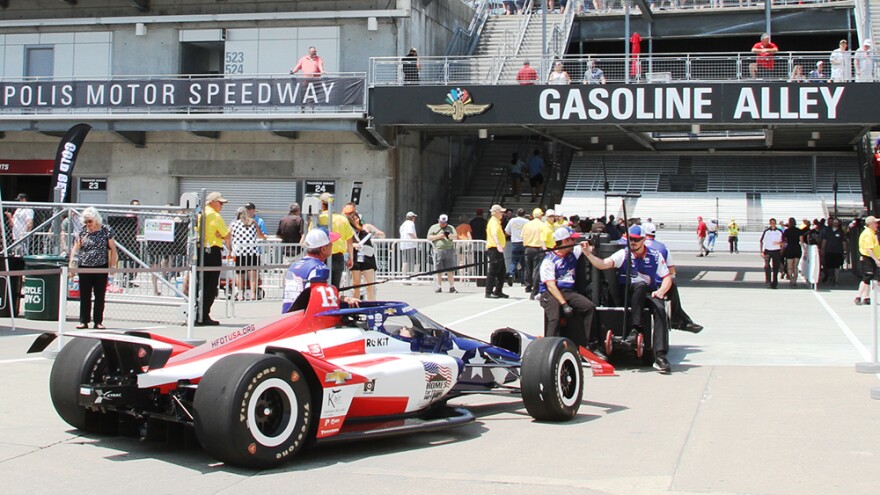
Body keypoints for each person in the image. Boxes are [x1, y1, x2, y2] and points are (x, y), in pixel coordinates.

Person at [583, 225, 673, 373]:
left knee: (660, 308)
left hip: (649, 293)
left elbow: (667, 277)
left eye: (637, 240)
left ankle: (660, 356)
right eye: (631, 239)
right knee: (639, 285)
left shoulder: (655, 255)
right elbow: (603, 264)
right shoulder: (623, 254)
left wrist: (661, 291)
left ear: (644, 239)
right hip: (628, 293)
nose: (633, 242)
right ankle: (636, 328)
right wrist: (588, 254)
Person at [538, 227, 603, 357]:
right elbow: (551, 286)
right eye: (572, 239)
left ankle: (590, 345)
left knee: (589, 307)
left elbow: (587, 248)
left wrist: (589, 244)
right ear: (565, 241)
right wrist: (564, 305)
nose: (576, 241)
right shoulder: (549, 261)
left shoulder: (574, 251)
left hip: (568, 291)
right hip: (550, 293)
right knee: (555, 316)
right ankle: (549, 349)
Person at [643, 223, 703, 333]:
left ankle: (683, 321)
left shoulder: (630, 246)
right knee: (672, 285)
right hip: (658, 284)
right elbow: (671, 271)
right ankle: (680, 321)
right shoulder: (662, 248)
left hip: (637, 283)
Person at [282, 229, 360, 313]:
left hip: (287, 315)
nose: (332, 245)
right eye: (330, 244)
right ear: (323, 249)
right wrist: (344, 299)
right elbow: (317, 296)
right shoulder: (318, 268)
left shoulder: (294, 265)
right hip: (304, 317)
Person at [68, 207, 118, 330]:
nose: (88, 224)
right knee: (85, 295)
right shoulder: (82, 232)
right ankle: (84, 320)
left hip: (101, 266)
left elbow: (113, 248)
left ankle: (98, 321)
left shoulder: (106, 230)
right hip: (84, 266)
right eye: (85, 222)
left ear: (96, 220)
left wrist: (112, 266)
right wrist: (72, 265)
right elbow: (76, 248)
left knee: (100, 295)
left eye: (90, 221)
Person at [197, 191, 231, 324]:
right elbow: (226, 235)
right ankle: (204, 315)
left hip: (200, 250)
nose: (222, 205)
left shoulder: (200, 213)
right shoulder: (214, 215)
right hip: (212, 250)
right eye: (220, 202)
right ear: (212, 202)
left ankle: (197, 313)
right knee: (210, 285)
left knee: (200, 283)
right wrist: (221, 235)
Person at [310, 192, 355, 288]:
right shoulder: (342, 219)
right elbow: (349, 241)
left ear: (321, 203)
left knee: (320, 286)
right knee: (335, 288)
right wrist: (351, 258)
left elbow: (310, 237)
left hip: (321, 256)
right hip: (338, 258)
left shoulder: (317, 219)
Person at [344, 203, 384, 301]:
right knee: (355, 285)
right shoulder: (349, 230)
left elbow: (382, 234)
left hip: (367, 256)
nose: (356, 220)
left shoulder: (367, 227)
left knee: (369, 284)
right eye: (353, 218)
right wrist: (354, 245)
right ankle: (355, 305)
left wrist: (376, 233)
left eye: (357, 217)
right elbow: (346, 244)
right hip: (355, 256)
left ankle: (371, 304)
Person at [230, 206, 266, 300]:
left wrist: (230, 249)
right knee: (253, 273)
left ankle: (241, 294)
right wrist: (264, 238)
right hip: (252, 251)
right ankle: (253, 294)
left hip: (239, 252)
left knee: (239, 274)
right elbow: (260, 234)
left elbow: (228, 236)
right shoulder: (252, 222)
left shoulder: (233, 224)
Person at [427, 214, 458, 293]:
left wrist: (450, 236)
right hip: (438, 250)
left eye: (444, 222)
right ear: (438, 220)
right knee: (439, 269)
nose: (443, 224)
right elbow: (429, 237)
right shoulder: (433, 227)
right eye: (441, 222)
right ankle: (439, 286)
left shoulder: (451, 228)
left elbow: (456, 236)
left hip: (449, 249)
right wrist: (439, 236)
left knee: (450, 269)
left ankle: (452, 287)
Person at [485, 204, 509, 299]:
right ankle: (488, 292)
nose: (502, 214)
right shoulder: (493, 222)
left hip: (497, 249)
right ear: (495, 213)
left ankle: (498, 291)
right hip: (494, 249)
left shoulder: (496, 222)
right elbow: (494, 235)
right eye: (501, 212)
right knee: (493, 270)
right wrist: (498, 245)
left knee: (502, 270)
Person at [855, 216, 880, 305]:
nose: (877, 224)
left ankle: (866, 297)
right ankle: (858, 296)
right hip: (868, 258)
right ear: (871, 224)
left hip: (872, 257)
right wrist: (876, 260)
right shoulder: (868, 234)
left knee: (871, 277)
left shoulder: (873, 233)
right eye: (875, 223)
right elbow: (869, 249)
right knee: (867, 277)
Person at [505, 208, 529, 285]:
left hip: (515, 242)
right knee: (524, 263)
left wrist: (513, 235)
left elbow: (507, 231)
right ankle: (523, 281)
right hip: (524, 243)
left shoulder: (512, 220)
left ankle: (511, 273)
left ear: (516, 214)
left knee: (514, 261)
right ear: (524, 214)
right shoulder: (527, 221)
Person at [820, 217, 847, 286]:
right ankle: (830, 276)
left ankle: (836, 280)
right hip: (828, 250)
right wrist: (822, 249)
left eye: (836, 222)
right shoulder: (827, 230)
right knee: (829, 266)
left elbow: (844, 242)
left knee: (837, 266)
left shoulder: (841, 231)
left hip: (838, 251)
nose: (835, 223)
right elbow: (824, 240)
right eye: (834, 222)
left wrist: (844, 251)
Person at [782, 217, 807, 288]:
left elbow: (785, 242)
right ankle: (795, 281)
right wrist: (805, 250)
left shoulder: (786, 231)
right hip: (797, 248)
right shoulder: (799, 231)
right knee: (795, 266)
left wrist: (783, 249)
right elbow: (802, 242)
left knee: (789, 266)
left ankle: (791, 279)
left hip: (789, 248)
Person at [760, 218, 784, 289]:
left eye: (774, 223)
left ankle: (775, 283)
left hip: (776, 251)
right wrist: (761, 251)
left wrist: (779, 244)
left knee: (776, 267)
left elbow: (784, 242)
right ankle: (768, 281)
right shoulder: (767, 231)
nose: (773, 224)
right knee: (767, 266)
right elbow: (761, 241)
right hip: (768, 251)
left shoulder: (779, 231)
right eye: (772, 223)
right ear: (770, 223)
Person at [398, 211, 419, 276]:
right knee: (416, 262)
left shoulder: (403, 225)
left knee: (405, 262)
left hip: (404, 245)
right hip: (411, 245)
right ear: (412, 217)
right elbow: (410, 233)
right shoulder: (410, 223)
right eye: (414, 217)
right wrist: (417, 240)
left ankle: (404, 277)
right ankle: (415, 277)